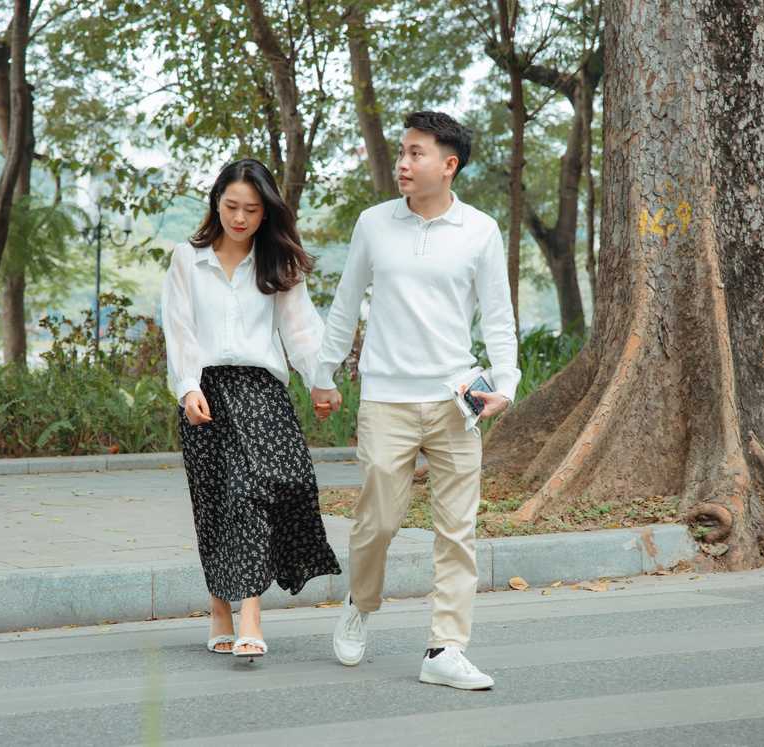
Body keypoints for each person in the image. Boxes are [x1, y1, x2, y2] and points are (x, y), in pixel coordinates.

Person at [312, 111, 520, 689]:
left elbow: (497, 316)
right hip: (387, 398)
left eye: (416, 153)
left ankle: (444, 650)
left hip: (457, 401)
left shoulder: (479, 230)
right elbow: (345, 301)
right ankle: (361, 601)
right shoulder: (374, 224)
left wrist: (506, 382)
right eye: (402, 152)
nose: (403, 163)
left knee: (458, 528)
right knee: (377, 521)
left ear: (448, 165)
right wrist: (322, 373)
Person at [161, 158, 341, 659]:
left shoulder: (278, 260)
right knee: (216, 501)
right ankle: (221, 608)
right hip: (207, 392)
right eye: (231, 206)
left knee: (260, 492)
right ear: (216, 203)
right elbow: (179, 330)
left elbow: (301, 328)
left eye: (252, 210)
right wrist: (186, 387)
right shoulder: (186, 259)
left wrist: (321, 383)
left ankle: (251, 614)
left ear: (267, 213)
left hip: (262, 391)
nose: (240, 218)